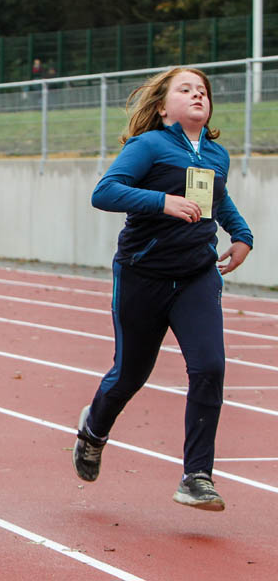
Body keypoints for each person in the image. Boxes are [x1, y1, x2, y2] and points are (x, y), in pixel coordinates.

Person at [72, 67, 253, 512]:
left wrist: (241, 233)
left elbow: (217, 197)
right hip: (143, 275)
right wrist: (162, 201)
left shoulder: (216, 154)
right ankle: (94, 430)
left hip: (196, 275)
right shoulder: (149, 146)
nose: (198, 95)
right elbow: (104, 192)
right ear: (162, 107)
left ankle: (197, 477)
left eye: (203, 90)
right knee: (130, 374)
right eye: (185, 89)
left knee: (209, 367)